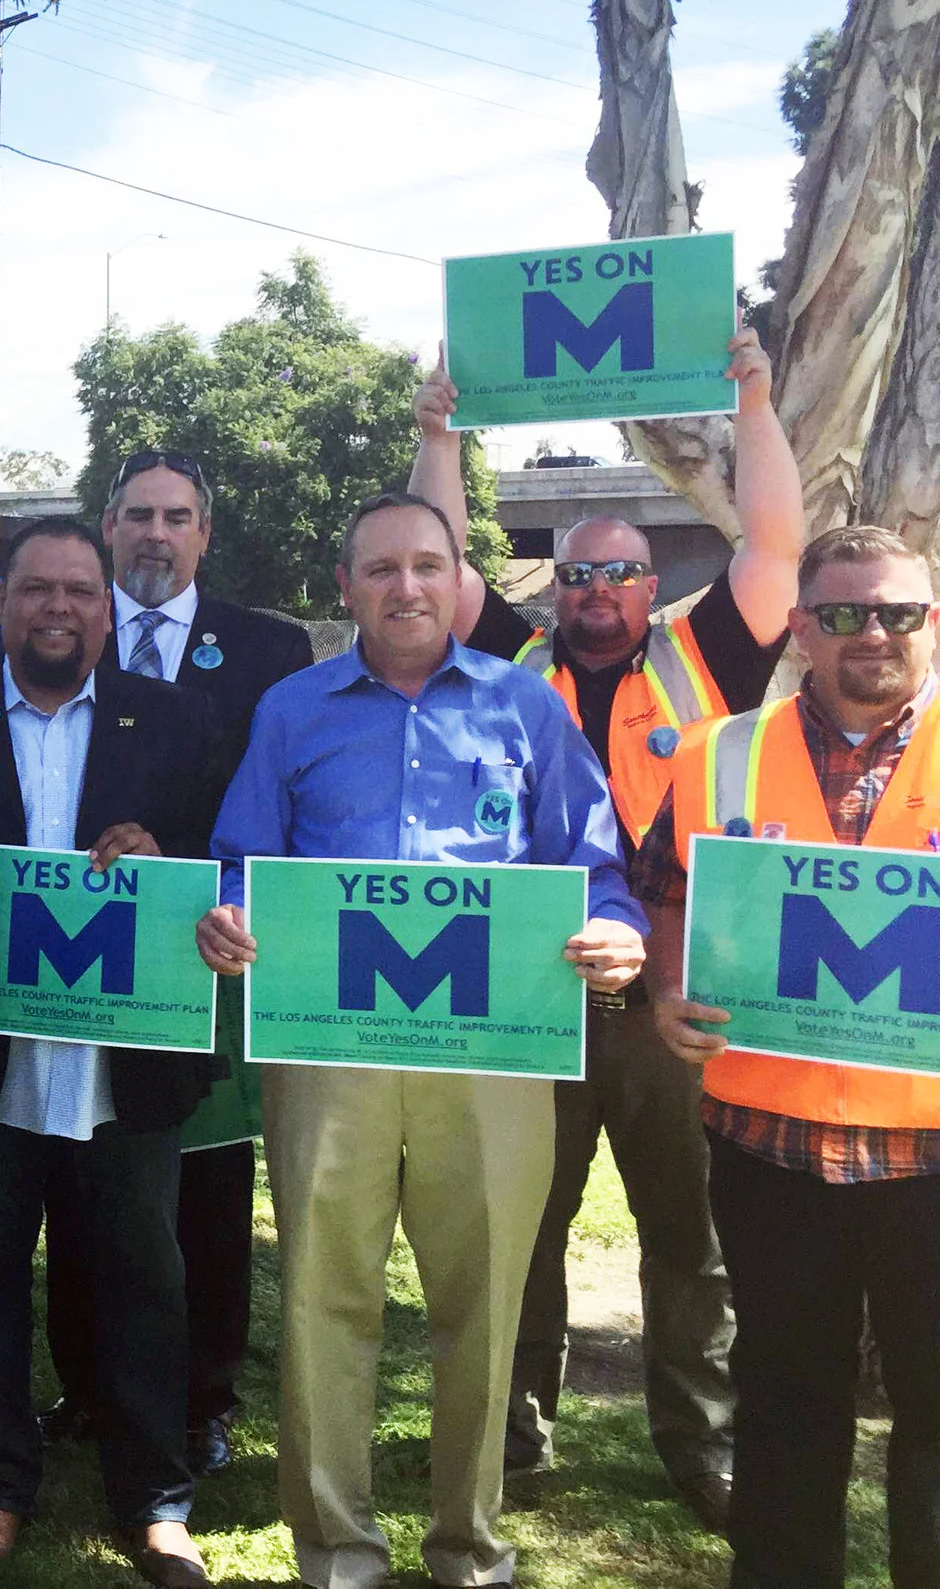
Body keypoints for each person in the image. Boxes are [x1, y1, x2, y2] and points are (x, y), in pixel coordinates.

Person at [196, 491, 645, 1589]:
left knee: (482, 1308)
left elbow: (595, 866)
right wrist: (225, 912)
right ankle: (337, 1551)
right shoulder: (292, 711)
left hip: (490, 1054)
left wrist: (615, 930)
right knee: (323, 1301)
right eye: (380, 569)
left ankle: (469, 1549)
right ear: (345, 586)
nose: (405, 588)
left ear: (462, 583)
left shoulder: (525, 709)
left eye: (427, 567)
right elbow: (240, 857)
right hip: (327, 1050)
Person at [409, 328, 796, 1520]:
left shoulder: (704, 655)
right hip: (541, 986)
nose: (595, 591)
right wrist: (436, 436)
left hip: (670, 991)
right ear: (552, 586)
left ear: (650, 584)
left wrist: (753, 397)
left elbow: (774, 543)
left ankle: (701, 1442)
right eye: (575, 573)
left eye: (619, 572)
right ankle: (519, 1432)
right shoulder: (505, 661)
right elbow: (437, 555)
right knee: (523, 1219)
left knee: (688, 1235)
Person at [640, 524, 940, 1589]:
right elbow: (663, 892)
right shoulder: (718, 751)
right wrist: (667, 989)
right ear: (802, 626)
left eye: (899, 611)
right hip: (771, 1153)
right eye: (847, 612)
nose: (875, 633)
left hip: (930, 1160)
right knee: (785, 1409)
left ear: (930, 623)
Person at [0, 517, 233, 1584]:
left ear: (108, 613)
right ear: (1, 605)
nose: (57, 608)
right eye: (35, 591)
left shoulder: (180, 722)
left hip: (124, 1058)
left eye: (78, 592)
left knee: (141, 1275)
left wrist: (166, 858)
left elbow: (224, 858)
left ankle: (153, 1499)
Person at [69, 449, 313, 1473]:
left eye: (176, 517)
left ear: (204, 534)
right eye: (136, 516)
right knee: (87, 1175)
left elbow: (283, 797)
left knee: (208, 1190)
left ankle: (201, 1398)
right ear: (108, 527)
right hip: (90, 951)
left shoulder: (268, 648)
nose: (155, 534)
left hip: (218, 952)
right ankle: (89, 1390)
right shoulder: (65, 632)